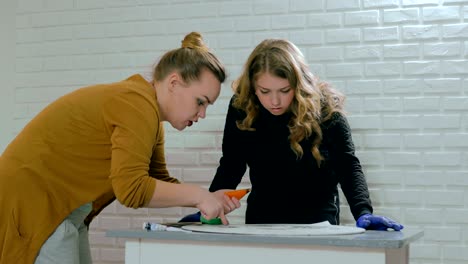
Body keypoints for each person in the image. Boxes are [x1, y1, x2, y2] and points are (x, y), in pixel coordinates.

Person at [0, 32, 238, 264]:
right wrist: (198, 197)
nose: (203, 114)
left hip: (62, 210)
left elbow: (157, 181)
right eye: (200, 101)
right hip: (34, 205)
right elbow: (132, 190)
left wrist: (208, 197)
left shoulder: (148, 116)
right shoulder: (135, 105)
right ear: (174, 83)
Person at [180, 38, 403, 231]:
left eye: (284, 91)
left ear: (299, 84)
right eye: (264, 91)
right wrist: (209, 206)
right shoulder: (242, 106)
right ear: (253, 87)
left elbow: (347, 165)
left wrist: (363, 212)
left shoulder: (324, 108)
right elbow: (232, 163)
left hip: (317, 220)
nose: (274, 101)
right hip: (262, 217)